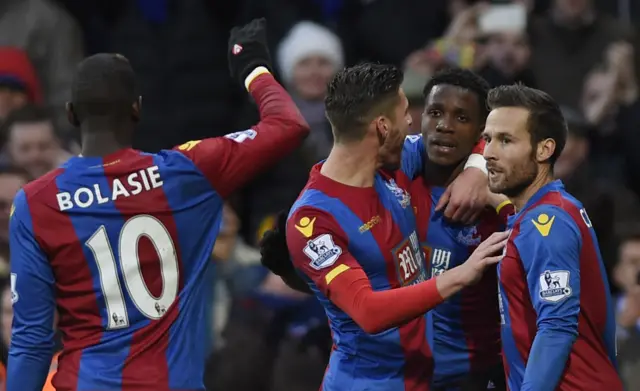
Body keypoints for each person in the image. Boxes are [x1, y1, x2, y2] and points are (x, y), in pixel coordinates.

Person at [7, 18, 310, 391]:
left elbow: (32, 340)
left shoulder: (36, 203)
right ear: (137, 109)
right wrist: (253, 67)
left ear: (71, 114)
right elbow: (288, 124)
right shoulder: (188, 173)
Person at [285, 62, 508, 391]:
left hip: (423, 379)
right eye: (405, 114)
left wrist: (476, 170)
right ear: (382, 128)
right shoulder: (314, 221)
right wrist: (462, 274)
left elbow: (474, 136)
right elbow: (367, 311)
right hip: (367, 383)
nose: (413, 123)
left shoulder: (398, 161)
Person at [482, 84, 623, 391]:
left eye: (505, 140)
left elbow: (557, 328)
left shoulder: (546, 223)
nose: (489, 153)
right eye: (487, 139)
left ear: (544, 149)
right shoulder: (553, 208)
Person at [404, 68, 513, 391]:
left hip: (472, 375)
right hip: (402, 373)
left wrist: (480, 170)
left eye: (461, 118)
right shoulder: (399, 170)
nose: (444, 126)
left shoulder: (500, 197)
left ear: (481, 130)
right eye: (435, 113)